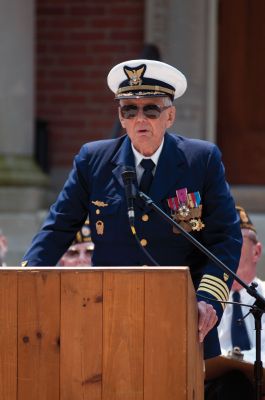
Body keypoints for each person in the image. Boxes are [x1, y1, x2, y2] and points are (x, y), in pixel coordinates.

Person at [21, 58, 242, 359]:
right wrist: (24, 280)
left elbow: (224, 238)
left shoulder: (200, 160)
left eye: (151, 109)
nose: (141, 119)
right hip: (110, 313)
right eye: (130, 109)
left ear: (170, 116)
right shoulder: (93, 160)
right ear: (121, 117)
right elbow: (58, 228)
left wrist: (207, 299)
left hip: (184, 315)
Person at [205, 205, 264, 399]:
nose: (227, 249)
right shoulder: (204, 302)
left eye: (236, 241)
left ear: (256, 252)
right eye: (221, 243)